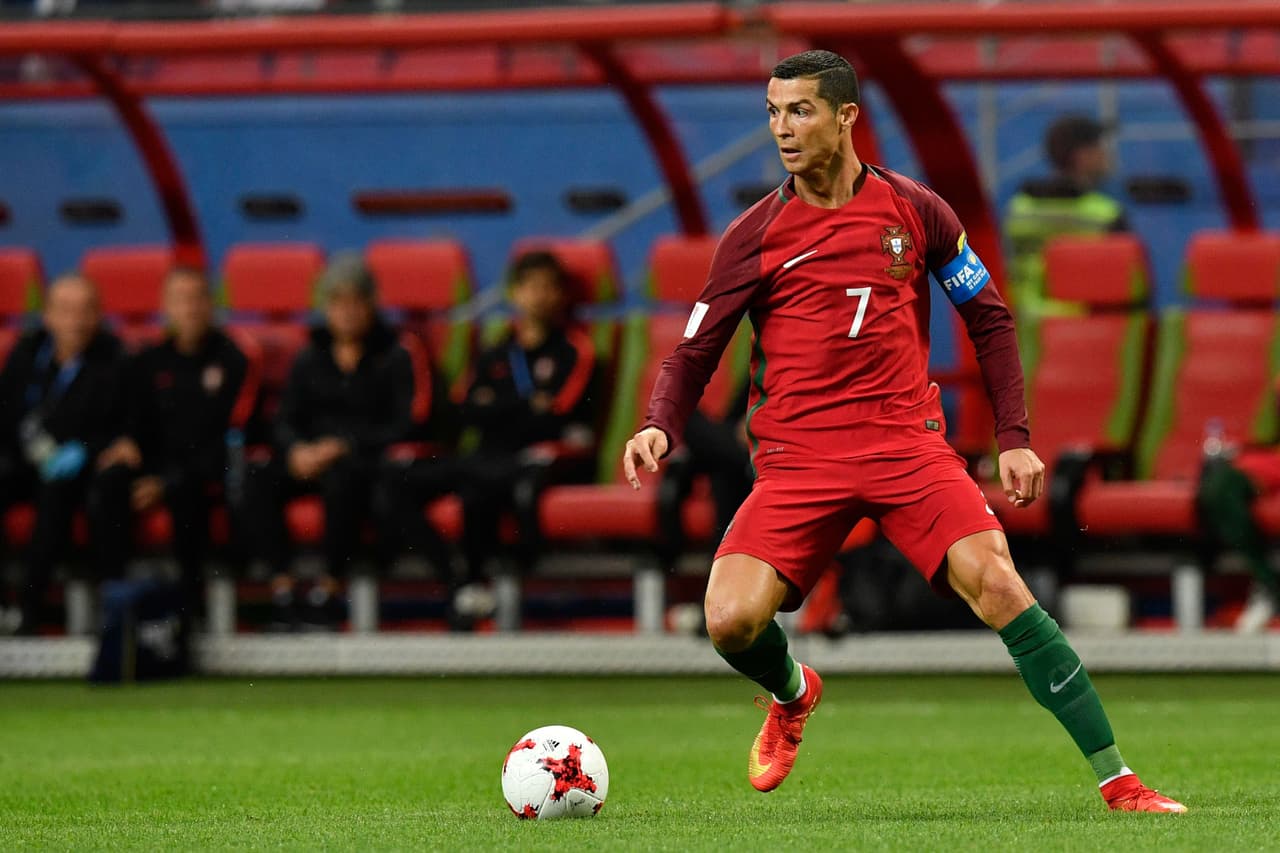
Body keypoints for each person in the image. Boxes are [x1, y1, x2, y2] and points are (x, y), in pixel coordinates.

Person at [622, 51, 1184, 813]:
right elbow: (694, 351)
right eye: (773, 113)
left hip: (906, 445)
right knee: (729, 621)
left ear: (846, 116)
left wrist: (1015, 434)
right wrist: (658, 423)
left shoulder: (917, 210)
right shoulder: (754, 234)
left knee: (999, 583)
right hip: (799, 459)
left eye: (800, 111)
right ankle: (792, 691)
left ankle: (1121, 780)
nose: (783, 129)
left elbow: (989, 318)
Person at [375, 250, 597, 629]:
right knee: (394, 482)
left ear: (561, 295)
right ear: (514, 293)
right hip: (481, 459)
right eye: (531, 287)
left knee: (478, 494)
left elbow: (556, 414)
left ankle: (473, 593)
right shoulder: (496, 351)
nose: (540, 296)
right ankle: (456, 580)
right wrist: (525, 404)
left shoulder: (575, 350)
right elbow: (463, 409)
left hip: (529, 461)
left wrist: (494, 403)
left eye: (549, 288)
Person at [241, 252, 417, 630]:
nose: (347, 312)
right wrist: (296, 450)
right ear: (326, 308)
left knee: (343, 480)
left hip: (361, 461)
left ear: (371, 305)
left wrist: (344, 444)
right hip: (311, 458)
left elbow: (404, 425)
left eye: (356, 302)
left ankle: (329, 591)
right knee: (257, 477)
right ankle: (283, 591)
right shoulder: (309, 357)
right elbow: (284, 419)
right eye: (338, 302)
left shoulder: (394, 355)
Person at [90, 266, 253, 626]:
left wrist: (165, 482)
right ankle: (111, 602)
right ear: (165, 307)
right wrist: (127, 443)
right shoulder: (147, 361)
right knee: (111, 480)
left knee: (186, 491)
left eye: (197, 299)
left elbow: (227, 439)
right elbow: (134, 423)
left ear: (211, 304)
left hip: (205, 471)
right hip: (156, 466)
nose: (190, 308)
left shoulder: (232, 360)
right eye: (181, 300)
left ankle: (188, 612)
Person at [0, 273, 125, 634]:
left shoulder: (115, 358)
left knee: (56, 495)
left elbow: (120, 424)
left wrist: (85, 449)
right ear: (48, 315)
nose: (76, 320)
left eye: (85, 311)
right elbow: (7, 414)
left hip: (77, 469)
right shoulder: (26, 353)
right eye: (66, 310)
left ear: (99, 315)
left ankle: (30, 611)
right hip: (23, 461)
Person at [1004, 114, 1128, 343]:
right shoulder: (1105, 214)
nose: (1109, 154)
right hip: (1087, 335)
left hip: (1023, 330)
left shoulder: (1018, 208)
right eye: (1101, 146)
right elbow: (1128, 286)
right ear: (1082, 156)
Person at [1198, 447, 1280, 633]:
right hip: (1243, 468)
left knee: (1220, 488)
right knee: (1215, 489)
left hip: (1255, 475)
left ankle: (1268, 584)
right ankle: (1267, 583)